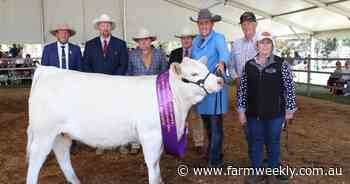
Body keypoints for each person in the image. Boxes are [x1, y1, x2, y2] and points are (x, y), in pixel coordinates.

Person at [236, 32, 297, 184]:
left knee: (273, 141)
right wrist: (241, 110)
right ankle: (256, 171)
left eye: (268, 43)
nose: (264, 45)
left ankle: (274, 169)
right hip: (253, 113)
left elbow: (289, 88)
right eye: (261, 43)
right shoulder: (249, 65)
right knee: (256, 141)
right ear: (257, 45)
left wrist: (290, 110)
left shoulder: (281, 64)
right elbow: (242, 89)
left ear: (272, 45)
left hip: (275, 113)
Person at [82, 14, 129, 155]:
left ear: (111, 27)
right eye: (102, 25)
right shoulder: (90, 44)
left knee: (119, 115)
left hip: (116, 86)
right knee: (99, 116)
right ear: (98, 27)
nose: (105, 28)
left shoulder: (120, 44)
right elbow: (86, 64)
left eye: (107, 25)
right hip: (96, 87)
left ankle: (121, 143)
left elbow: (123, 64)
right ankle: (101, 143)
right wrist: (95, 80)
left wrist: (114, 81)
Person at [190, 9, 230, 167]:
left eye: (206, 23)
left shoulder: (218, 38)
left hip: (215, 87)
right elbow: (194, 61)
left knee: (216, 125)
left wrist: (222, 63)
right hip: (202, 89)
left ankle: (215, 160)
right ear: (198, 25)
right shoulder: (195, 41)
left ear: (212, 24)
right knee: (208, 124)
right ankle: (214, 153)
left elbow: (224, 54)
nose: (203, 26)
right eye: (201, 23)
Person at [125, 28, 168, 154]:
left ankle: (156, 141)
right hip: (137, 92)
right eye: (141, 40)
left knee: (154, 118)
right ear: (137, 42)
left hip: (155, 92)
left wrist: (163, 90)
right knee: (136, 117)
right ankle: (135, 144)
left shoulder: (159, 53)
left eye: (146, 39)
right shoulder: (132, 55)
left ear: (150, 41)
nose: (143, 42)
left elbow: (164, 72)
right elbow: (128, 72)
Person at [169, 27, 205, 153]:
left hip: (193, 92)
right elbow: (171, 73)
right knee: (178, 117)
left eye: (188, 38)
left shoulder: (198, 53)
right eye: (183, 38)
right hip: (179, 93)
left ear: (192, 39)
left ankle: (199, 142)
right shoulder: (174, 53)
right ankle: (177, 140)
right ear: (180, 40)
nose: (185, 40)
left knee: (196, 116)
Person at [229, 11, 259, 84]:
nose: (246, 26)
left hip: (259, 87)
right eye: (243, 24)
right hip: (241, 87)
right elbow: (231, 65)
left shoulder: (264, 42)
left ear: (255, 25)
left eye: (249, 24)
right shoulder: (236, 44)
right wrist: (236, 78)